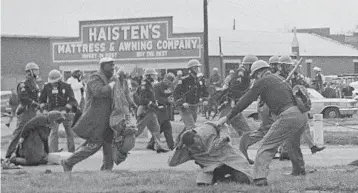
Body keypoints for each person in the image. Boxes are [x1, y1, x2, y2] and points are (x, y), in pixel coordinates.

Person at [217, 60, 308, 186]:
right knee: (292, 143)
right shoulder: (279, 79)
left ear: (259, 72)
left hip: (288, 115)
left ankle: (259, 178)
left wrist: (226, 117)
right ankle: (299, 170)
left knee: (266, 146)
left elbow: (245, 101)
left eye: (255, 76)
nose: (254, 79)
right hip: (301, 115)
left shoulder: (262, 81)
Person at [61, 57, 117, 172]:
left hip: (108, 119)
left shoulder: (110, 78)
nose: (112, 68)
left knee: (109, 145)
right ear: (103, 66)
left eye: (113, 65)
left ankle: (107, 170)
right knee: (94, 145)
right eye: (110, 65)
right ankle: (68, 162)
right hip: (96, 119)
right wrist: (112, 85)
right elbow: (99, 92)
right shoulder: (95, 78)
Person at [168, 122, 252, 186]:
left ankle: (229, 178)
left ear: (197, 136)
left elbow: (223, 125)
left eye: (198, 143)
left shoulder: (208, 129)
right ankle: (221, 180)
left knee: (244, 179)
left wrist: (224, 136)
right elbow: (172, 163)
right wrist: (178, 147)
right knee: (202, 184)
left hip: (230, 161)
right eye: (194, 147)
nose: (198, 147)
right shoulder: (187, 149)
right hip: (212, 169)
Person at [4, 62, 41, 160]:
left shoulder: (35, 83)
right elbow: (24, 98)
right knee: (19, 133)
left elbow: (37, 96)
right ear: (30, 71)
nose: (38, 72)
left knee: (31, 133)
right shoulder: (23, 84)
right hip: (25, 111)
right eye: (36, 70)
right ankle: (8, 154)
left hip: (33, 111)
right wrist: (35, 103)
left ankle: (25, 154)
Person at [218, 55, 258, 136]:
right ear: (247, 65)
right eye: (253, 66)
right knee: (221, 128)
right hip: (230, 104)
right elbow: (234, 89)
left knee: (246, 133)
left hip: (236, 107)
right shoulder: (242, 73)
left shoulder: (247, 74)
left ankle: (242, 147)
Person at [39, 69, 77, 153]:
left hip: (65, 112)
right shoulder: (46, 87)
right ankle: (54, 152)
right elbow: (41, 101)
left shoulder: (66, 86)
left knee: (69, 132)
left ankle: (72, 152)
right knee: (53, 132)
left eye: (55, 82)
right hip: (53, 112)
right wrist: (44, 110)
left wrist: (65, 110)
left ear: (59, 79)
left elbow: (72, 100)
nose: (53, 83)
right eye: (52, 82)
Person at [133, 69, 169, 153]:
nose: (155, 76)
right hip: (145, 110)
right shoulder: (144, 85)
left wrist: (155, 103)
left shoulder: (149, 84)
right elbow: (143, 99)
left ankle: (158, 146)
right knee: (138, 129)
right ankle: (123, 145)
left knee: (156, 128)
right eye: (153, 75)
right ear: (149, 76)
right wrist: (152, 104)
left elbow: (150, 97)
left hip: (150, 110)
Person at [173, 59, 208, 130]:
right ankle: (189, 141)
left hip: (195, 106)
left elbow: (204, 90)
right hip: (185, 107)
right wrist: (182, 103)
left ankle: (179, 141)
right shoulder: (184, 80)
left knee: (188, 127)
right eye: (195, 67)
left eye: (198, 67)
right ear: (190, 69)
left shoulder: (200, 79)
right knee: (191, 127)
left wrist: (205, 99)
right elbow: (176, 93)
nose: (198, 69)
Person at [147, 73, 176, 150]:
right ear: (164, 78)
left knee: (163, 128)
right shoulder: (157, 86)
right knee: (164, 127)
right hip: (158, 109)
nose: (168, 82)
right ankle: (171, 145)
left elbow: (170, 95)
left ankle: (152, 143)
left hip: (166, 110)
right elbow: (156, 98)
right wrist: (167, 100)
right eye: (167, 80)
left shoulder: (170, 87)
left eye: (170, 81)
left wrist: (171, 100)